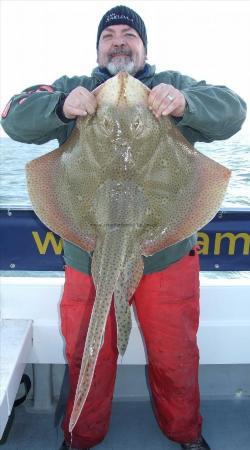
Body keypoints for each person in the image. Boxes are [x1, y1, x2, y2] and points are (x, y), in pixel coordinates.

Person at [1, 5, 247, 450]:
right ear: (98, 49)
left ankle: (186, 435)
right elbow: (14, 116)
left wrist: (186, 102)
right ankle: (80, 437)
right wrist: (60, 106)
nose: (119, 40)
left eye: (128, 34)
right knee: (85, 351)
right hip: (88, 247)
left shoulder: (173, 84)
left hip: (166, 252)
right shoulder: (74, 89)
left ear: (143, 47)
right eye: (109, 34)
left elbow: (233, 108)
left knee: (175, 355)